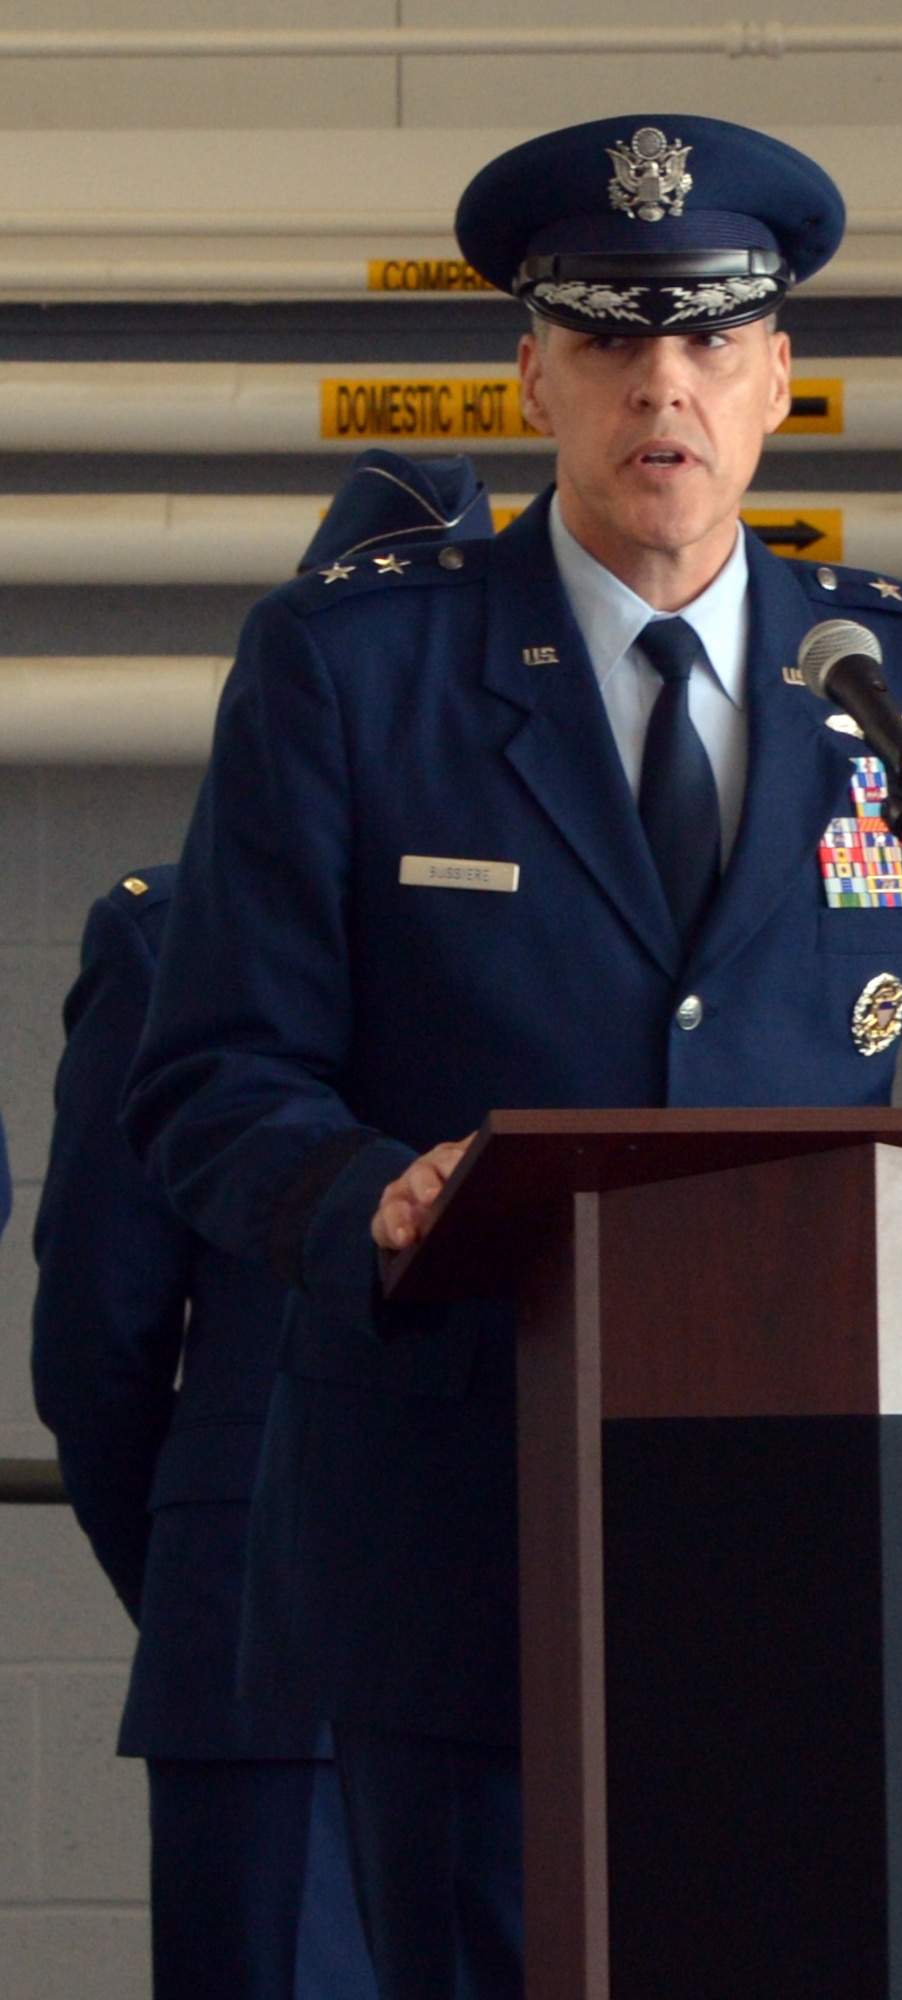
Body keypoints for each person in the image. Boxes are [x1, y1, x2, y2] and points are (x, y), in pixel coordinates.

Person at [124, 115, 902, 1999]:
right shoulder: (348, 673)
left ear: (783, 380)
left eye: (709, 340)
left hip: (830, 1556)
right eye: (611, 340)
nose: (661, 386)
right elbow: (211, 1076)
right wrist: (379, 1203)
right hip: (462, 1559)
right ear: (533, 374)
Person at [32, 452, 491, 2000]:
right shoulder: (170, 930)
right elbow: (96, 1339)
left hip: (486, 1625)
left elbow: (97, 1343)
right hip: (269, 1643)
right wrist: (203, 1576)